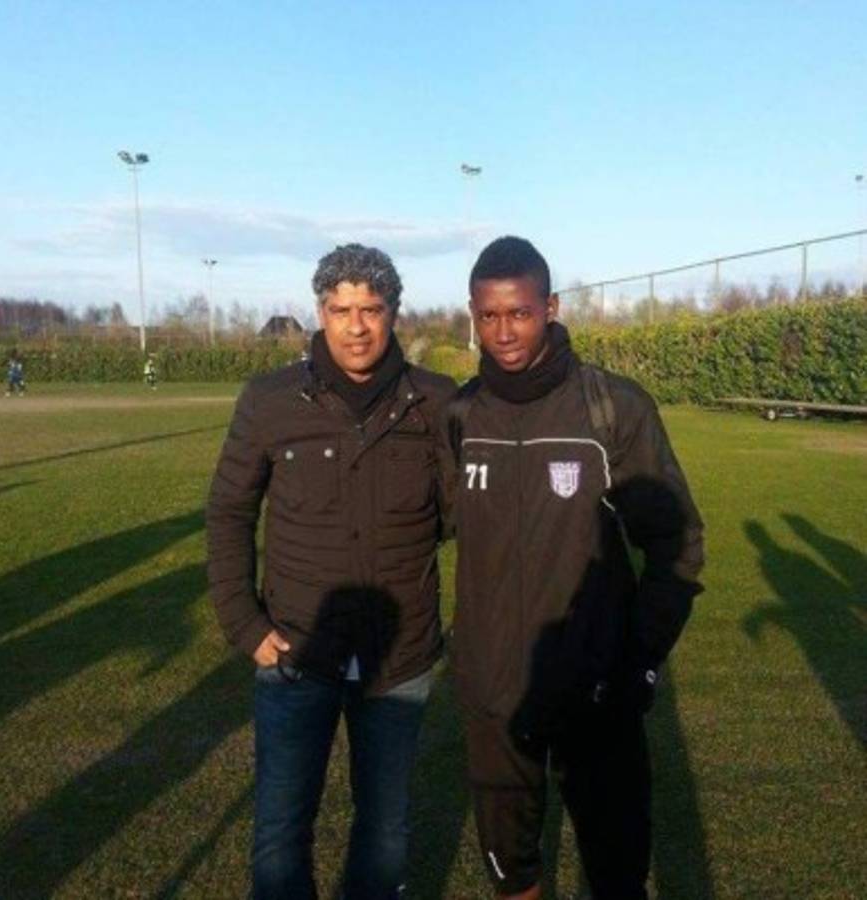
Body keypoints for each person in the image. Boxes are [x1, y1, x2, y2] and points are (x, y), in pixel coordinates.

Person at [446, 236, 705, 900]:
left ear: (551, 307)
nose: (504, 332)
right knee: (514, 875)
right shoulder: (462, 413)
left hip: (598, 693)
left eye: (520, 313)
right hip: (495, 695)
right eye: (489, 316)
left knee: (617, 876)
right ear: (473, 315)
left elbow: (678, 543)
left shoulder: (613, 407)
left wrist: (639, 661)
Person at [206, 243, 457, 899]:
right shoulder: (270, 400)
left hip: (399, 657)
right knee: (280, 834)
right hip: (295, 650)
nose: (356, 327)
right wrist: (243, 622)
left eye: (370, 309)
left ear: (394, 311)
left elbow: (461, 517)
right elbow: (229, 512)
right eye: (341, 310)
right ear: (320, 312)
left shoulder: (436, 402)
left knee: (386, 832)